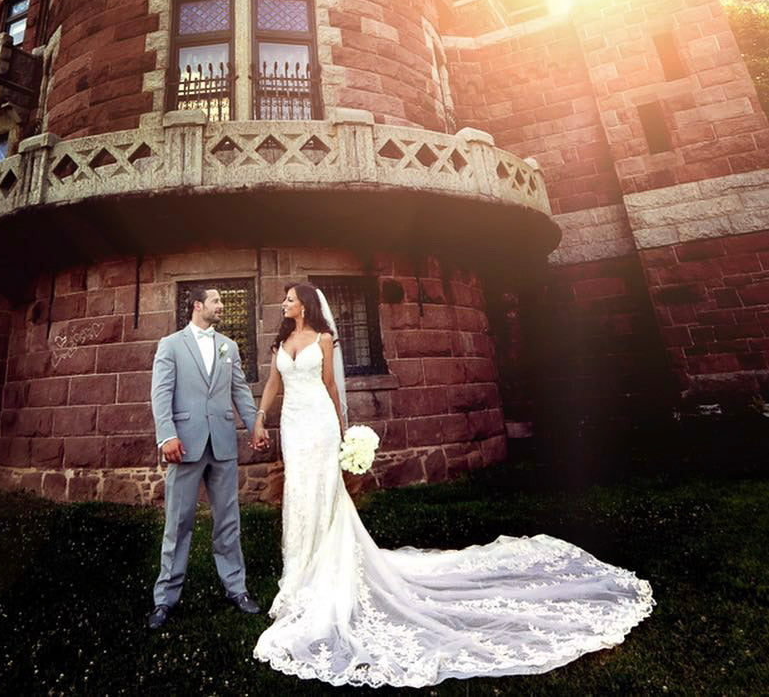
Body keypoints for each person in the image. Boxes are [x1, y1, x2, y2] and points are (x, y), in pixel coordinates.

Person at [252, 282, 654, 686]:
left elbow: (331, 386)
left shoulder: (323, 338)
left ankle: (325, 569)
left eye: (289, 299)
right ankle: (300, 570)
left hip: (320, 425)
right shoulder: (283, 341)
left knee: (324, 494)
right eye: (285, 299)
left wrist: (342, 433)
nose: (284, 304)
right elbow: (274, 385)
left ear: (304, 304)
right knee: (299, 495)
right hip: (292, 425)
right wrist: (259, 419)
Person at [148, 286, 265, 630]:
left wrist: (254, 426)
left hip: (223, 445)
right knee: (178, 522)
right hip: (184, 445)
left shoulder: (229, 346)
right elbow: (161, 393)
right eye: (217, 300)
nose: (222, 306)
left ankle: (237, 588)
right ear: (198, 305)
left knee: (228, 520)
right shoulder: (170, 345)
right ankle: (164, 599)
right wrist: (167, 435)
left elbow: (240, 389)